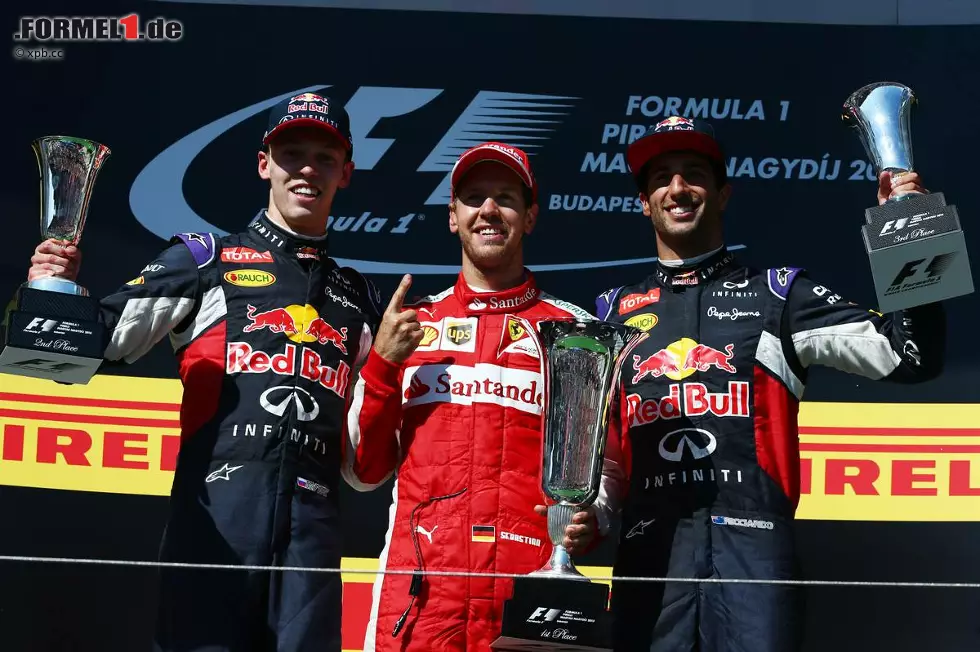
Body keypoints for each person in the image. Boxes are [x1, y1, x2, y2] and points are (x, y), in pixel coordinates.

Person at [26, 92, 382, 652]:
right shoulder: (206, 259)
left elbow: (367, 465)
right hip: (215, 524)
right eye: (292, 154)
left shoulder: (360, 299)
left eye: (324, 157)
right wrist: (53, 290)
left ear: (346, 172)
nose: (307, 169)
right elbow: (90, 346)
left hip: (313, 536)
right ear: (264, 163)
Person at [594, 116, 946, 652]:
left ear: (723, 193)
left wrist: (913, 228)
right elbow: (607, 457)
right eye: (661, 178)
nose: (678, 188)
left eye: (694, 174)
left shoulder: (780, 295)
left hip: (755, 559)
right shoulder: (609, 315)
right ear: (644, 202)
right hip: (650, 559)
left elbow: (913, 355)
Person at [341, 141, 628, 651]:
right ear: (453, 216)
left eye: (505, 197)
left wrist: (591, 517)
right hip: (421, 602)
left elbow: (606, 468)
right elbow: (363, 470)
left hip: (530, 601)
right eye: (473, 197)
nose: (489, 210)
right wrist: (383, 364)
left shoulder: (576, 334)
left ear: (531, 216)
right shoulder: (411, 327)